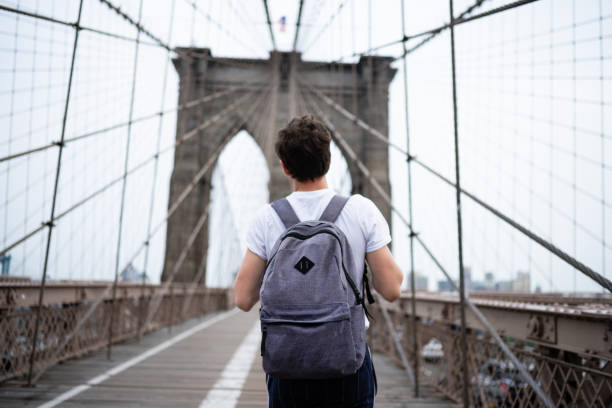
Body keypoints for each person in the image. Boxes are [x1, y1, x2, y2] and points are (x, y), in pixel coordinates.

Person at [234, 115, 403, 408]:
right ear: (328, 160)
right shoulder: (361, 210)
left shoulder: (266, 218)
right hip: (346, 363)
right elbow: (391, 290)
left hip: (287, 365)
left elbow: (242, 298)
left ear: (285, 167)